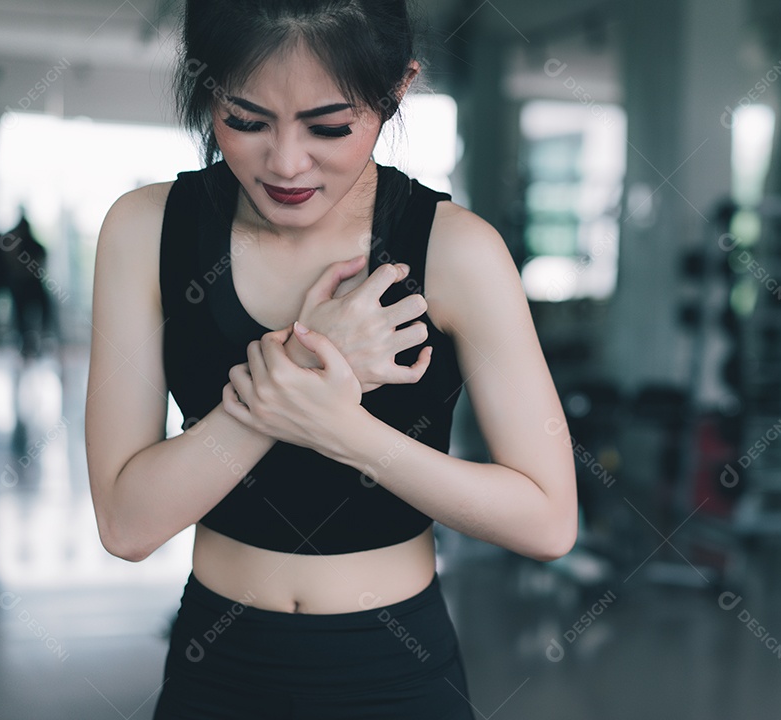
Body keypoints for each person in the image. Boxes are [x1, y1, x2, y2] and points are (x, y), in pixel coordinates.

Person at [84, 1, 577, 717]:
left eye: (329, 127)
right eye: (246, 120)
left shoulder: (458, 250)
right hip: (215, 669)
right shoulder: (147, 229)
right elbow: (128, 527)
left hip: (395, 672)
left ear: (396, 90)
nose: (286, 162)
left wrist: (344, 430)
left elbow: (548, 521)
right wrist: (307, 368)